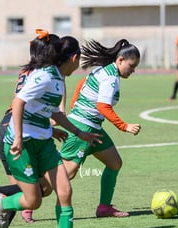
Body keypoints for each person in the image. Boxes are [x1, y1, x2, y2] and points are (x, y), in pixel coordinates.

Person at [0, 35, 101, 228]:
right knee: (33, 201)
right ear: (73, 58)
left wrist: (79, 133)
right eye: (78, 61)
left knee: (65, 191)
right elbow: (18, 102)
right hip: (24, 143)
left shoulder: (59, 77)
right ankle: (2, 202)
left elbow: (54, 112)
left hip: (44, 142)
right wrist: (19, 137)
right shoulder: (44, 76)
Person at [0, 30, 67, 223]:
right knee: (29, 190)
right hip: (17, 126)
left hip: (18, 124)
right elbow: (23, 104)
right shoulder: (45, 74)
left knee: (41, 189)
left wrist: (51, 128)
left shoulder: (33, 70)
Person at [59, 39, 141, 218]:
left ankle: (104, 207)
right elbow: (104, 106)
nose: (133, 70)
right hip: (83, 128)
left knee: (114, 163)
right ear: (120, 60)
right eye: (131, 66)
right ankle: (22, 197)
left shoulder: (104, 70)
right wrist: (124, 126)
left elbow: (82, 83)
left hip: (92, 127)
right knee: (65, 175)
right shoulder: (110, 76)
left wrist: (75, 106)